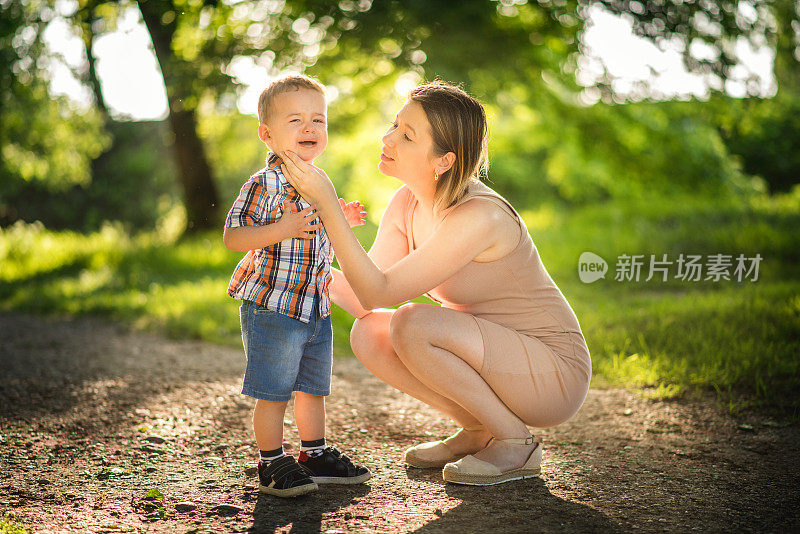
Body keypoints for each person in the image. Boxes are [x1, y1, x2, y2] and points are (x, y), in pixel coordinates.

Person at [279, 81, 592, 486]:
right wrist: (284, 255)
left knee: (412, 322)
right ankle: (478, 430)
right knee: (370, 331)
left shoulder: (479, 216)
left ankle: (516, 442)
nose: (388, 138)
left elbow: (381, 291)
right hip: (492, 353)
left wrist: (327, 207)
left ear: (444, 160)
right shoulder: (406, 202)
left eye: (406, 136)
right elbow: (364, 298)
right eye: (394, 125)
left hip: (551, 374)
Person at [222, 75, 371, 497]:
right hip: (273, 307)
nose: (310, 128)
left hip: (314, 308)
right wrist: (280, 227)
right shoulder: (263, 184)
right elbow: (233, 237)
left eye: (318, 120)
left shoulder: (318, 180)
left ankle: (315, 452)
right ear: (267, 134)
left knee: (312, 388)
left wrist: (339, 215)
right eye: (295, 120)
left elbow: (317, 234)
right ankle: (270, 462)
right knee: (274, 392)